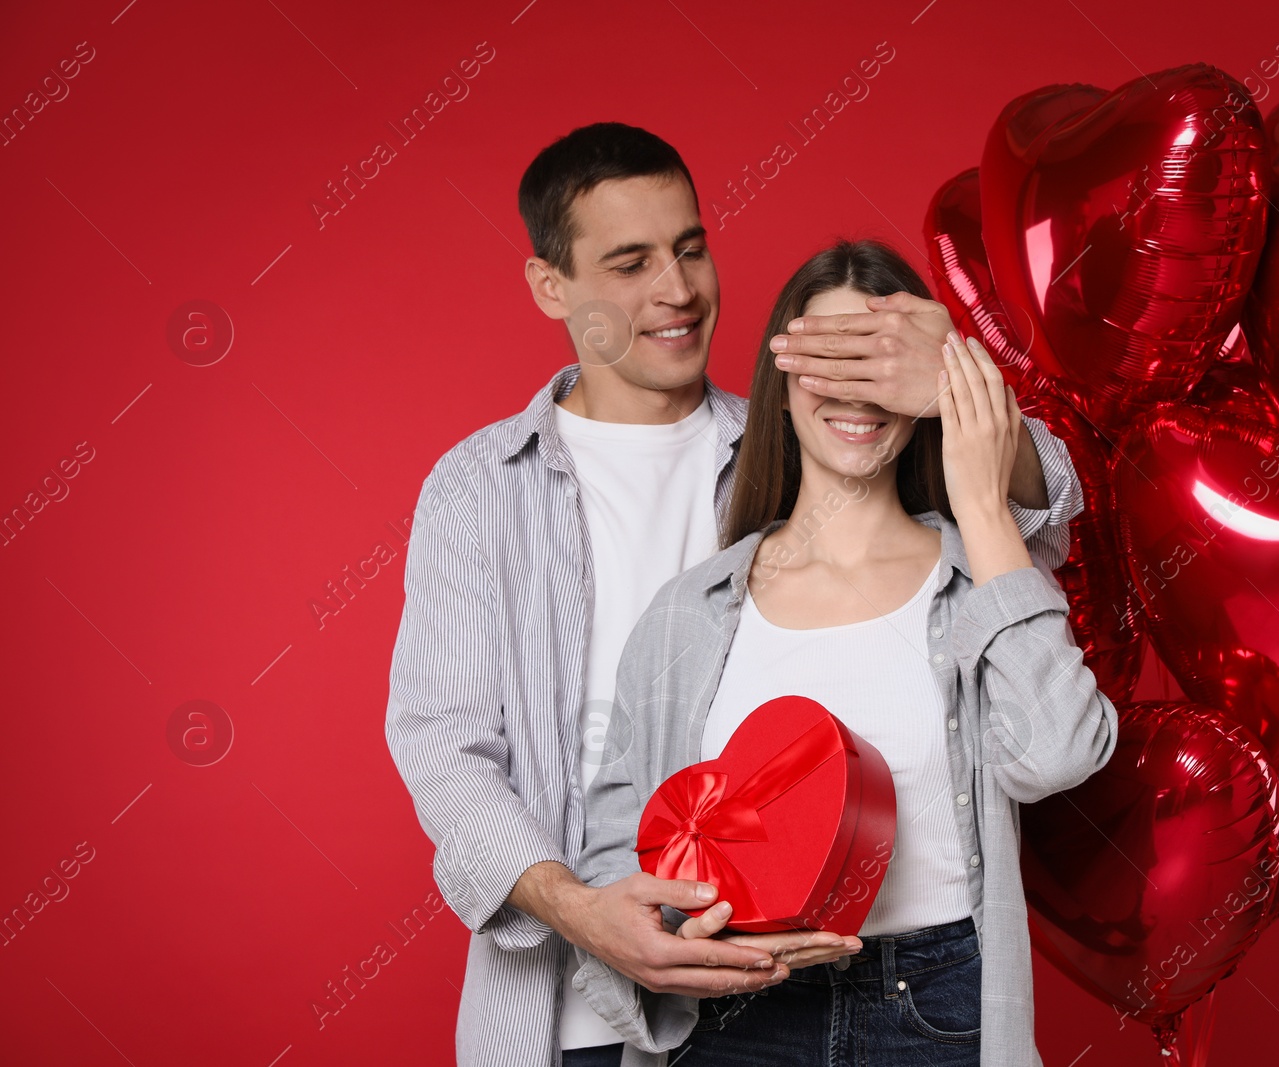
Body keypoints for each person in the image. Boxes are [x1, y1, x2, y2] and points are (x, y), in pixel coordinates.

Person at [384, 123, 1089, 1067]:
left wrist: (953, 384)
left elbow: (1044, 498)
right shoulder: (479, 489)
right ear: (551, 285)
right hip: (565, 999)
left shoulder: (804, 432)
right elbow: (444, 748)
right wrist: (585, 911)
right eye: (630, 263)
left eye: (690, 248)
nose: (676, 291)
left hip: (793, 980)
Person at [573, 240, 1118, 1067]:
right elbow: (622, 850)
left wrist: (982, 501)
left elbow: (1059, 754)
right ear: (781, 381)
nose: (857, 390)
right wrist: (673, 935)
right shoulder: (688, 613)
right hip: (734, 1019)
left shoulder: (984, 577)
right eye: (830, 358)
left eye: (880, 362)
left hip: (939, 1012)